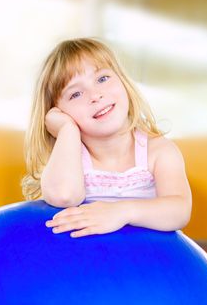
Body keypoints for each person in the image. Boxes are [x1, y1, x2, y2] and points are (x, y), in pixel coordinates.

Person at [21, 38, 192, 238]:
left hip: (145, 265)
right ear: (58, 112)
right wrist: (67, 130)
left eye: (102, 79)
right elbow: (64, 196)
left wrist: (121, 212)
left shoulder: (159, 152)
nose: (95, 95)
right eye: (75, 94)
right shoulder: (70, 160)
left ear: (124, 82)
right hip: (87, 266)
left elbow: (179, 211)